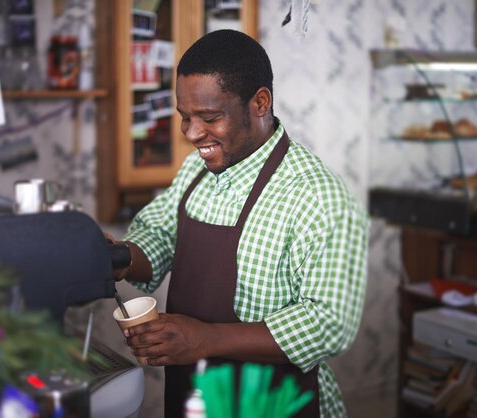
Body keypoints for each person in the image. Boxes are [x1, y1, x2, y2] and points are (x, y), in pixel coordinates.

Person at [110, 29, 368, 418]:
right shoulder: (196, 172)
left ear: (260, 102)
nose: (193, 134)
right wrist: (119, 256)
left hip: (275, 405)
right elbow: (160, 234)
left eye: (210, 118)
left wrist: (204, 339)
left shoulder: (317, 195)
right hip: (195, 399)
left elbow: (328, 323)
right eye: (185, 118)